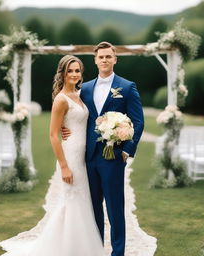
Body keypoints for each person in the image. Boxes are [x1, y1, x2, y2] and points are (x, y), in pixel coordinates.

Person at [0, 55, 106, 256]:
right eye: (70, 71)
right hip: (71, 157)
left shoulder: (80, 95)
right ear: (63, 73)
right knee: (73, 199)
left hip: (85, 156)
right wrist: (64, 166)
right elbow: (53, 135)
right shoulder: (61, 99)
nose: (74, 74)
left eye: (77, 70)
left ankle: (78, 246)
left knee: (82, 201)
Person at [63, 41, 144, 256]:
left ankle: (117, 253)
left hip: (114, 156)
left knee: (115, 208)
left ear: (115, 59)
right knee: (93, 208)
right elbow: (74, 113)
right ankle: (96, 249)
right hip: (88, 157)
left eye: (109, 56)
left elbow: (138, 121)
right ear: (95, 60)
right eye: (101, 57)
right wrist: (64, 128)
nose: (105, 60)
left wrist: (127, 150)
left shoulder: (127, 87)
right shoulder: (85, 87)